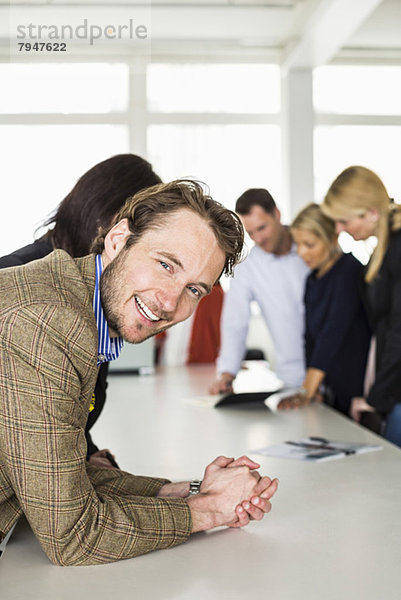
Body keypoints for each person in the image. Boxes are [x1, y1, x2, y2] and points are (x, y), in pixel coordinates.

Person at [0, 179, 279, 566]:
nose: (169, 302)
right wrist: (212, 511)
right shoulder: (49, 323)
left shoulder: (75, 299)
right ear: (118, 239)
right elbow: (74, 535)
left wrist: (187, 492)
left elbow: (58, 471)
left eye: (194, 290)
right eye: (166, 265)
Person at [0, 153, 161, 468]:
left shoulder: (97, 296)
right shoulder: (23, 285)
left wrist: (86, 452)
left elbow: (66, 402)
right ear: (110, 224)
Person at [322, 166, 401, 446]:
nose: (340, 229)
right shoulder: (385, 248)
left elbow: (397, 334)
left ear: (371, 213)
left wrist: (374, 400)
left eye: (344, 221)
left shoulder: (397, 251)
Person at [209, 187, 309, 395]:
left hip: (337, 368)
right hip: (293, 378)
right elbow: (235, 322)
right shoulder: (249, 268)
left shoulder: (311, 247)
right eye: (251, 233)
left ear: (277, 214)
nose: (258, 239)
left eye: (262, 228)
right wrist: (227, 373)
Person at [278, 203, 370, 415]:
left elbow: (333, 332)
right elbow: (310, 338)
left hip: (356, 388)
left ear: (332, 238)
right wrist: (314, 389)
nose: (301, 253)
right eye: (297, 244)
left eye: (309, 244)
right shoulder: (312, 279)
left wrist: (306, 390)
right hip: (330, 388)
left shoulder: (350, 271)